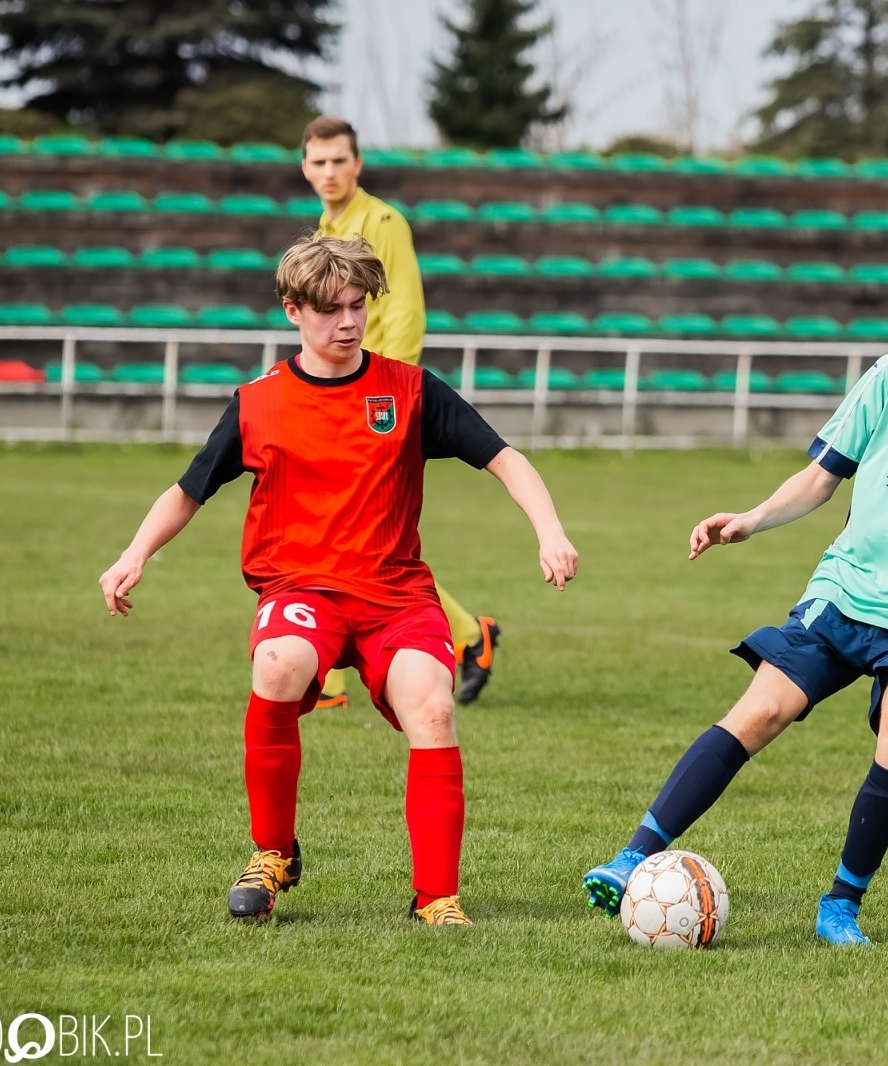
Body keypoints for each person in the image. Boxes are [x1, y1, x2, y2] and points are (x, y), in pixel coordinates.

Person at [581, 250, 888, 945]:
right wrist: (752, 519)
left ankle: (841, 906)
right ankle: (631, 856)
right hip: (845, 594)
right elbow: (821, 478)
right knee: (762, 710)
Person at [98, 236, 578, 926]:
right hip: (302, 591)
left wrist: (550, 530)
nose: (348, 322)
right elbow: (188, 490)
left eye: (357, 306)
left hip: (396, 596)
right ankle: (273, 854)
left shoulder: (409, 391)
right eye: (329, 309)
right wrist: (134, 554)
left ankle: (436, 898)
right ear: (293, 310)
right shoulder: (259, 403)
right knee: (277, 663)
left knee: (434, 707)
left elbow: (504, 458)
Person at [300, 115, 502, 706]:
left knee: (362, 538)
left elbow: (406, 310)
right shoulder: (325, 229)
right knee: (346, 534)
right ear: (304, 168)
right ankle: (466, 634)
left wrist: (388, 399)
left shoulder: (383, 222)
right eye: (319, 162)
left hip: (374, 400)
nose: (330, 172)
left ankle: (331, 679)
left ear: (357, 164)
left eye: (339, 160)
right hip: (338, 393)